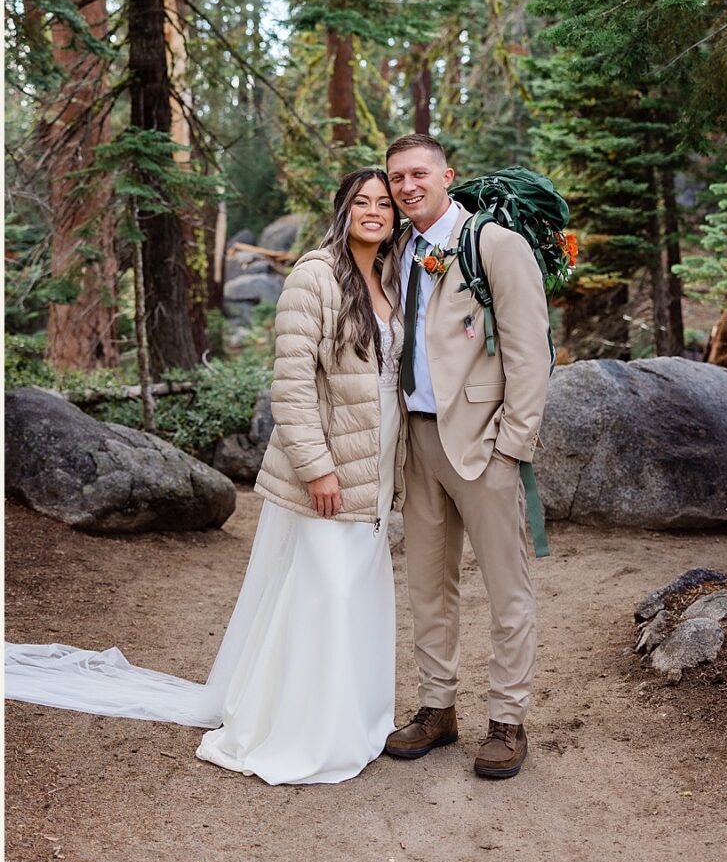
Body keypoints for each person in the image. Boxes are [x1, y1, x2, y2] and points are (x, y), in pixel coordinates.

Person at [5, 169, 406, 786]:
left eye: (384, 203)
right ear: (343, 208)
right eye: (363, 201)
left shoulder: (387, 277)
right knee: (325, 590)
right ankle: (299, 732)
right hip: (326, 466)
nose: (374, 211)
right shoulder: (316, 275)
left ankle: (357, 720)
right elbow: (292, 386)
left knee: (359, 588)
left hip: (375, 460)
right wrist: (318, 468)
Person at [380, 133, 552, 780]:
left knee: (508, 588)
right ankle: (437, 708)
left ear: (446, 174)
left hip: (483, 441)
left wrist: (513, 444)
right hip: (417, 441)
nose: (407, 186)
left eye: (418, 173)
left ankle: (508, 720)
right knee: (428, 583)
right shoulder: (398, 250)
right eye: (397, 178)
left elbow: (530, 354)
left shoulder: (494, 246)